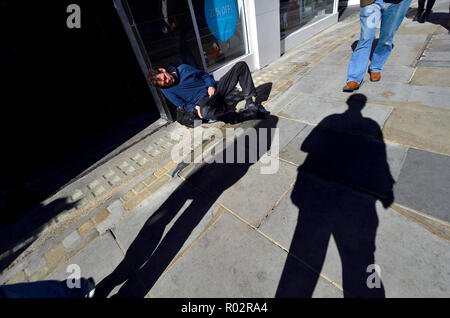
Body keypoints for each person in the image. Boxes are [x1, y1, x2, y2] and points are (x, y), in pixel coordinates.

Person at [148, 61, 269, 125]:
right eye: (165, 83)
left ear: (162, 70)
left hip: (216, 89)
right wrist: (197, 107)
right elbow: (183, 104)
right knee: (205, 112)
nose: (168, 81)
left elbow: (205, 75)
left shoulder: (183, 68)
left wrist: (211, 85)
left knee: (240, 66)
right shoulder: (166, 90)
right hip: (205, 103)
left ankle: (250, 103)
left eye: (165, 78)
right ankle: (239, 117)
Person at [343, 0, 412, 92]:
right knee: (365, 38)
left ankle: (376, 67)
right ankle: (354, 78)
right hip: (371, 2)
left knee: (387, 38)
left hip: (398, 2)